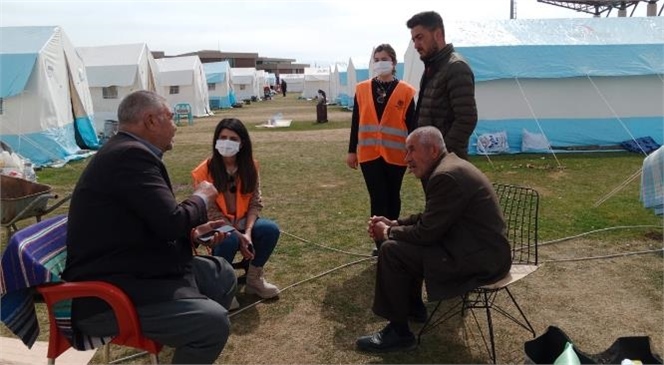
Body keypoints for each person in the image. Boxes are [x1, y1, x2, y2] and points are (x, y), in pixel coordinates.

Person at [62, 90, 237, 364]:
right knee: (212, 324)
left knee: (222, 273)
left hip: (135, 267)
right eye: (170, 117)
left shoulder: (127, 152)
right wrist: (201, 197)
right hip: (109, 292)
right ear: (151, 121)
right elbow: (170, 222)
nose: (176, 124)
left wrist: (191, 233)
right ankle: (193, 331)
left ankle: (183, 336)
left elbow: (153, 221)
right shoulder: (130, 156)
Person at [355, 126, 511, 353]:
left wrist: (387, 233)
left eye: (411, 150)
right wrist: (396, 223)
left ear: (433, 151)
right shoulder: (449, 167)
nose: (406, 158)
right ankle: (413, 308)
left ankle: (399, 333)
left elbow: (427, 232)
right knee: (401, 245)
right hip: (479, 251)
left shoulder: (445, 175)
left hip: (481, 261)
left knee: (391, 250)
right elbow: (432, 218)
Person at [192, 118, 280, 299]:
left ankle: (254, 280)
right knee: (228, 239)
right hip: (217, 225)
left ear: (242, 143)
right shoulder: (203, 171)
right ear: (216, 140)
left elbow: (256, 202)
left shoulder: (250, 167)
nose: (227, 142)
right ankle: (224, 287)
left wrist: (247, 233)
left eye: (233, 139)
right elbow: (211, 212)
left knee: (270, 229)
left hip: (244, 223)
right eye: (223, 137)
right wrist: (239, 236)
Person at [346, 43, 417, 255]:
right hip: (369, 155)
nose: (380, 63)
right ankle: (380, 244)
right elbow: (356, 121)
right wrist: (352, 150)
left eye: (384, 59)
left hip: (396, 155)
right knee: (377, 197)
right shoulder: (362, 88)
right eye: (376, 59)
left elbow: (413, 126)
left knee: (393, 196)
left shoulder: (406, 91)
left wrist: (414, 155)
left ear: (393, 62)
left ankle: (392, 236)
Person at [406, 11, 478, 160]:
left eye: (420, 38)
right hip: (430, 161)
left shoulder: (456, 67)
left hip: (446, 163)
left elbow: (466, 119)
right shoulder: (432, 68)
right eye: (414, 40)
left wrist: (441, 155)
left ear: (437, 34)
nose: (416, 45)